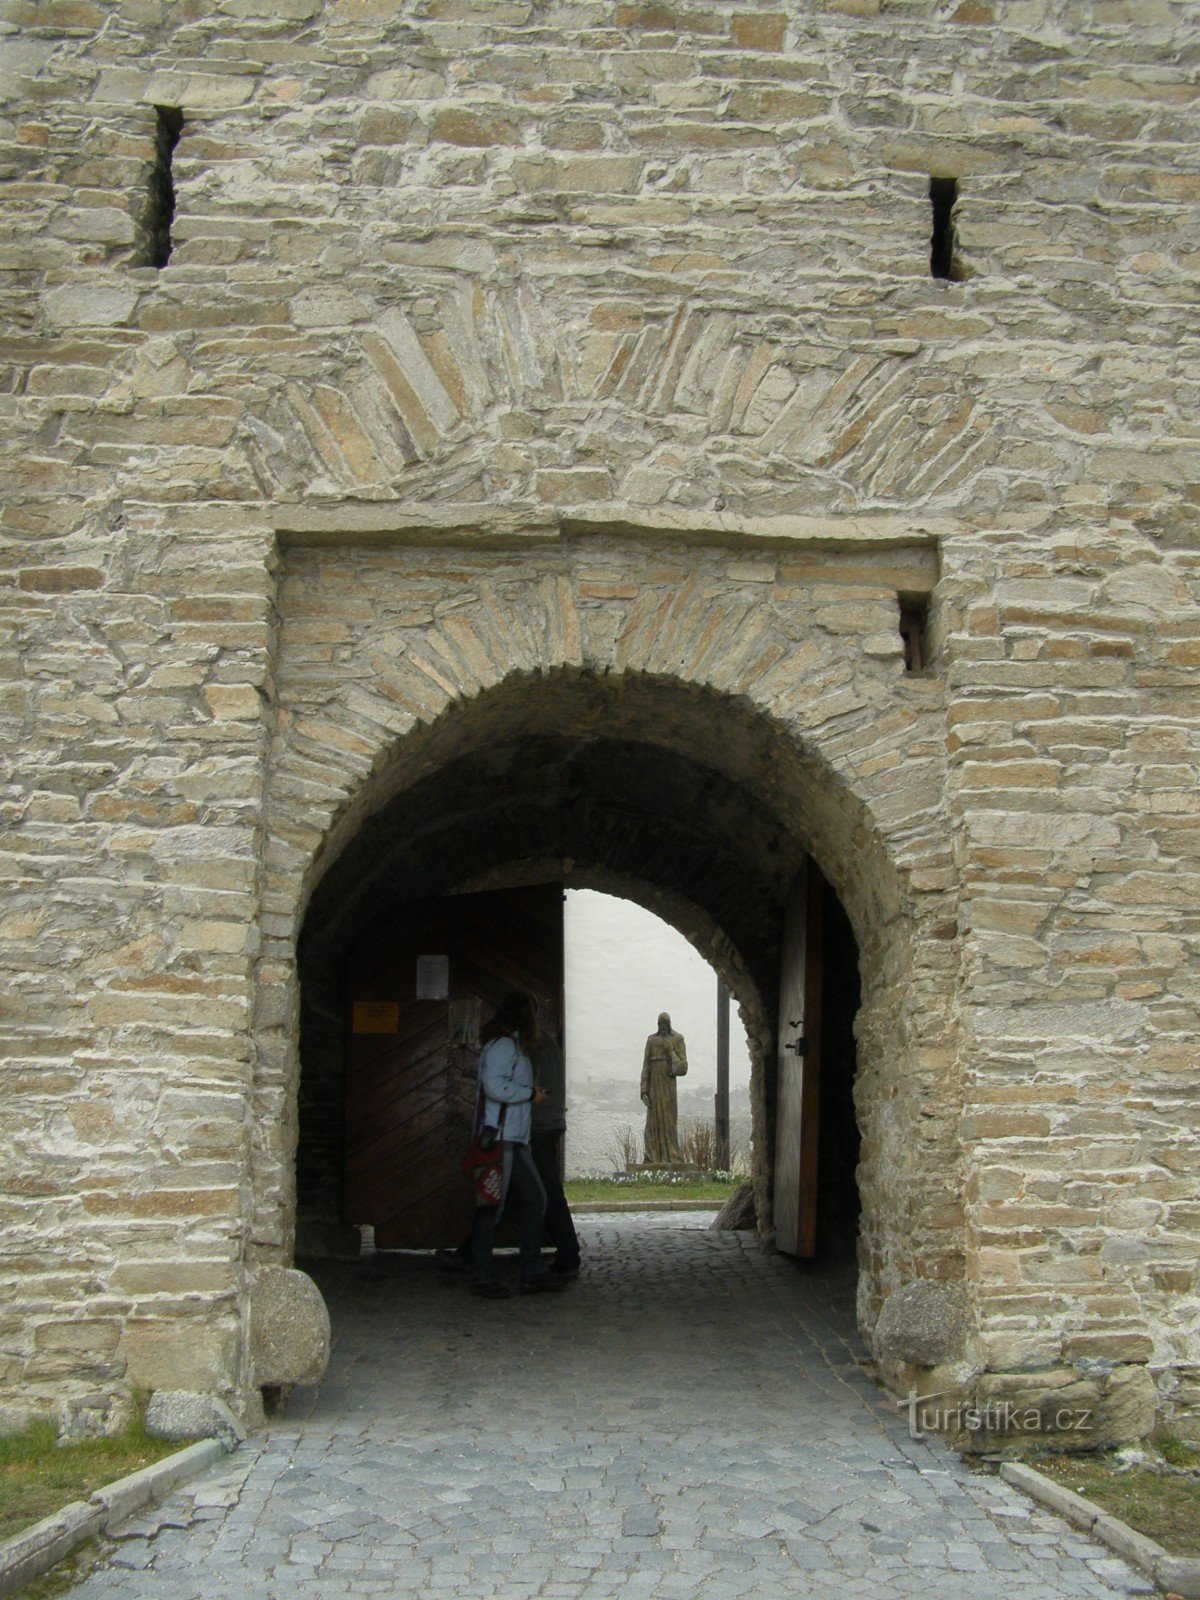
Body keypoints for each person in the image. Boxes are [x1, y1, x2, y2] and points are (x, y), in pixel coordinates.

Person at [469, 991, 565, 1299]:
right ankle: (487, 1275)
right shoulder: (504, 1046)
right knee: (493, 1207)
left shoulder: (511, 1045)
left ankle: (530, 1271)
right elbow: (494, 1086)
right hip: (501, 1140)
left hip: (512, 1140)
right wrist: (529, 1094)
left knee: (532, 1199)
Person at [530, 1028, 581, 1281]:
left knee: (546, 1193)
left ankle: (568, 1254)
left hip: (539, 1126)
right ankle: (566, 1253)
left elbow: (535, 1089)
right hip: (545, 1124)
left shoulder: (538, 1046)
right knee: (539, 1192)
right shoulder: (545, 1045)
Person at [641, 1011, 688, 1165]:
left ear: (669, 1024)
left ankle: (672, 1156)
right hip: (654, 1085)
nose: (663, 1027)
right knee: (652, 1123)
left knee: (669, 1120)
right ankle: (653, 1157)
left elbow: (683, 1068)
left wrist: (670, 1051)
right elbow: (646, 1066)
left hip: (668, 1085)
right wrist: (644, 1090)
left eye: (665, 1023)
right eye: (660, 1023)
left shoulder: (677, 1039)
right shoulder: (651, 1040)